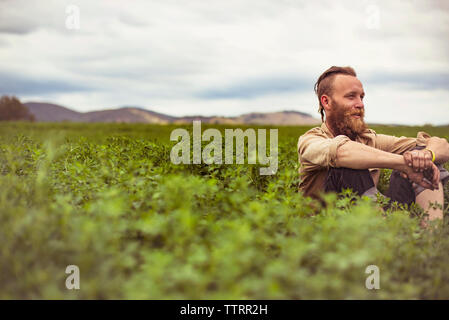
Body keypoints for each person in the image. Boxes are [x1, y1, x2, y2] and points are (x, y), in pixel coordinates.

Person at [297, 66, 449, 221]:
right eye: (351, 97)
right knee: (348, 165)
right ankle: (385, 237)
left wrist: (426, 155)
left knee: (424, 161)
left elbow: (440, 144)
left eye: (361, 97)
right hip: (329, 231)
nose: (360, 104)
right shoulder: (310, 140)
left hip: (375, 215)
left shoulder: (368, 139)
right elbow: (342, 151)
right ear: (326, 102)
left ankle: (429, 237)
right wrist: (404, 164)